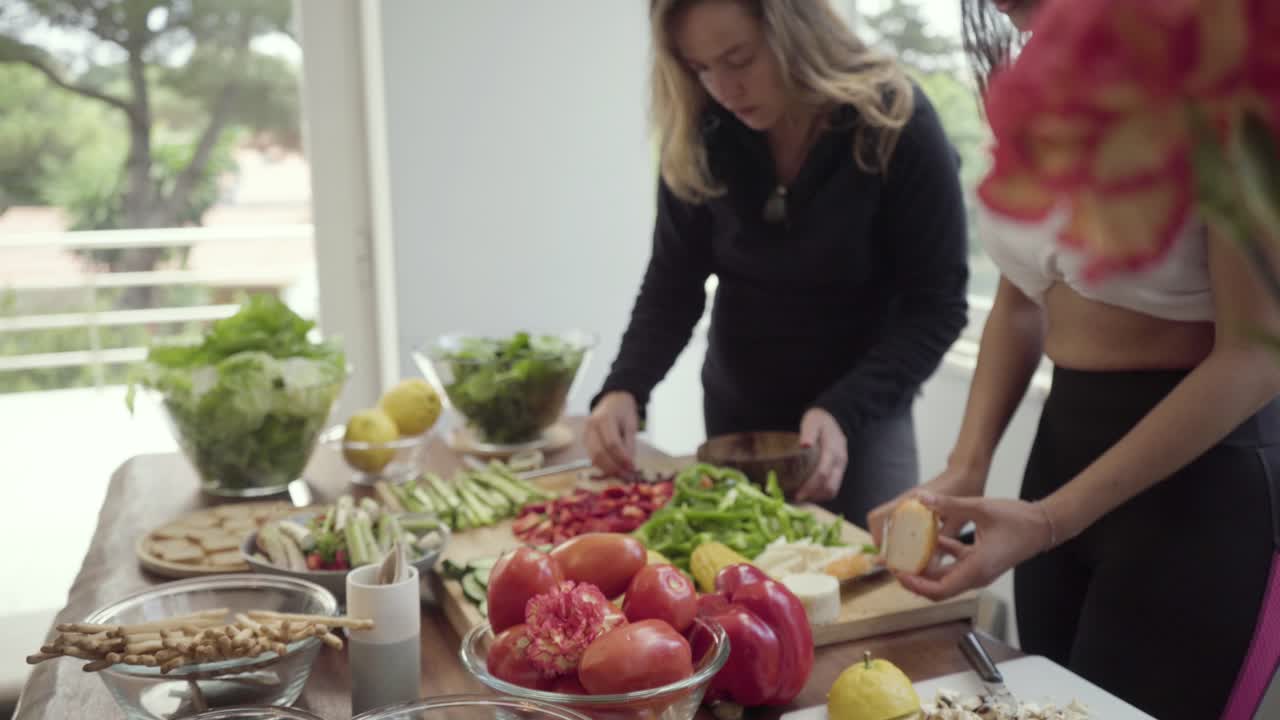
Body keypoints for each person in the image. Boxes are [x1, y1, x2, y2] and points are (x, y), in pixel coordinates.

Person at [868, 2, 1280, 719]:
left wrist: (1054, 518)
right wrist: (969, 465)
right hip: (1058, 466)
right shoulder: (1035, 73)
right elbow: (1022, 297)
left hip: (1204, 492)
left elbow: (1258, 353)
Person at [584, 0, 970, 526]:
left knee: (872, 586)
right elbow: (674, 281)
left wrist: (842, 410)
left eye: (739, 59)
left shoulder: (894, 121)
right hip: (737, 421)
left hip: (860, 420)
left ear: (797, 32)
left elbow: (937, 308)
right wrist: (625, 387)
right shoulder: (704, 128)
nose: (723, 88)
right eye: (700, 68)